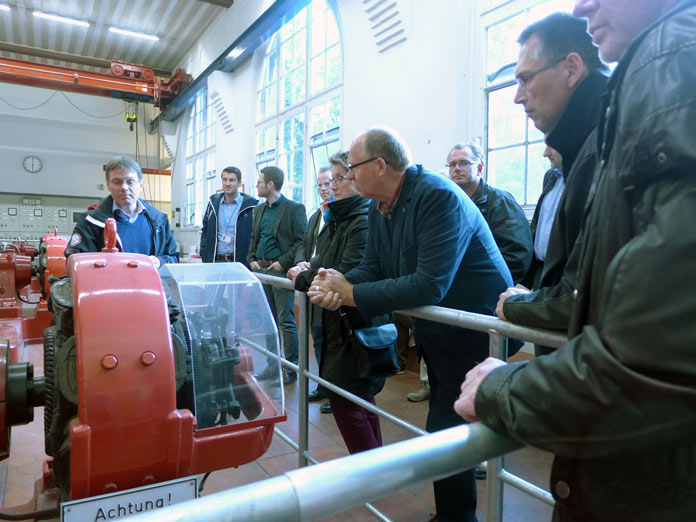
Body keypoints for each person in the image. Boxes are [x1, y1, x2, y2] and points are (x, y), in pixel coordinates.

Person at [456, 1, 696, 520]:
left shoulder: (671, 58)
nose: (583, 3)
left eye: (525, 79)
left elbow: (651, 360)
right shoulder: (634, 90)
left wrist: (502, 388)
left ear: (571, 69)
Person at [309, 127, 512, 522]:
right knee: (446, 423)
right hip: (439, 330)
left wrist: (350, 294)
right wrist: (338, 282)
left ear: (380, 165)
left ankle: (457, 517)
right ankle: (453, 514)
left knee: (446, 424)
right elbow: (375, 266)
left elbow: (430, 284)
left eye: (353, 168)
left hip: (474, 331)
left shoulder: (437, 196)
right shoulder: (379, 206)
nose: (347, 177)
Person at [495, 12, 609, 342]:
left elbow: (588, 298)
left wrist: (519, 305)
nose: (517, 97)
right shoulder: (583, 148)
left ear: (571, 69)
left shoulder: (601, 146)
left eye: (526, 79)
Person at [288, 151, 383, 452]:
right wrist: (306, 269)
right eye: (333, 179)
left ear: (358, 179)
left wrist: (301, 278)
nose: (333, 185)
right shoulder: (337, 216)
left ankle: (369, 474)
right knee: (360, 398)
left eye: (341, 178)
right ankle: (376, 467)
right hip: (338, 322)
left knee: (347, 401)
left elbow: (344, 274)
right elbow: (321, 262)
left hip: (354, 323)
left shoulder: (363, 218)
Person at [248, 166, 307, 385]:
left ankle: (291, 368)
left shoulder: (294, 209)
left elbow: (302, 240)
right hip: (261, 272)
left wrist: (283, 263)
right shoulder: (259, 210)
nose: (257, 184)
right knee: (268, 321)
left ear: (270, 184)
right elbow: (255, 237)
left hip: (280, 272)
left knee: (285, 320)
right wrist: (251, 257)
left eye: (260, 181)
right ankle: (273, 365)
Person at [65, 156, 179, 266]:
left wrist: (158, 262)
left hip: (149, 285)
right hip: (108, 285)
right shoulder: (90, 222)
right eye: (117, 182)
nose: (124, 187)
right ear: (108, 185)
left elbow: (173, 258)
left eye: (130, 182)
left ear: (140, 185)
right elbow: (75, 262)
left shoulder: (159, 221)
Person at [447, 143, 532, 284]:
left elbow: (517, 255)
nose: (457, 169)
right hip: (463, 284)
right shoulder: (450, 203)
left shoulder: (501, 201)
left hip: (493, 287)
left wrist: (492, 286)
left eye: (464, 163)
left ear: (479, 169)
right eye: (452, 164)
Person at [294, 166, 333, 409]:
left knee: (330, 341)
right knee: (317, 337)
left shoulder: (340, 216)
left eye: (328, 183)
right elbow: (305, 244)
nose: (323, 188)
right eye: (319, 185)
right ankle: (323, 385)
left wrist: (314, 264)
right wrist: (300, 261)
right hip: (312, 281)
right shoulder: (316, 215)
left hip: (328, 280)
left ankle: (334, 391)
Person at [199, 166, 258, 267]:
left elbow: (256, 235)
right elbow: (205, 229)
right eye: (224, 180)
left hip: (239, 262)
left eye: (232, 180)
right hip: (215, 261)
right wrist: (204, 253)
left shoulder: (251, 206)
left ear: (239, 183)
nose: (227, 184)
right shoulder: (213, 204)